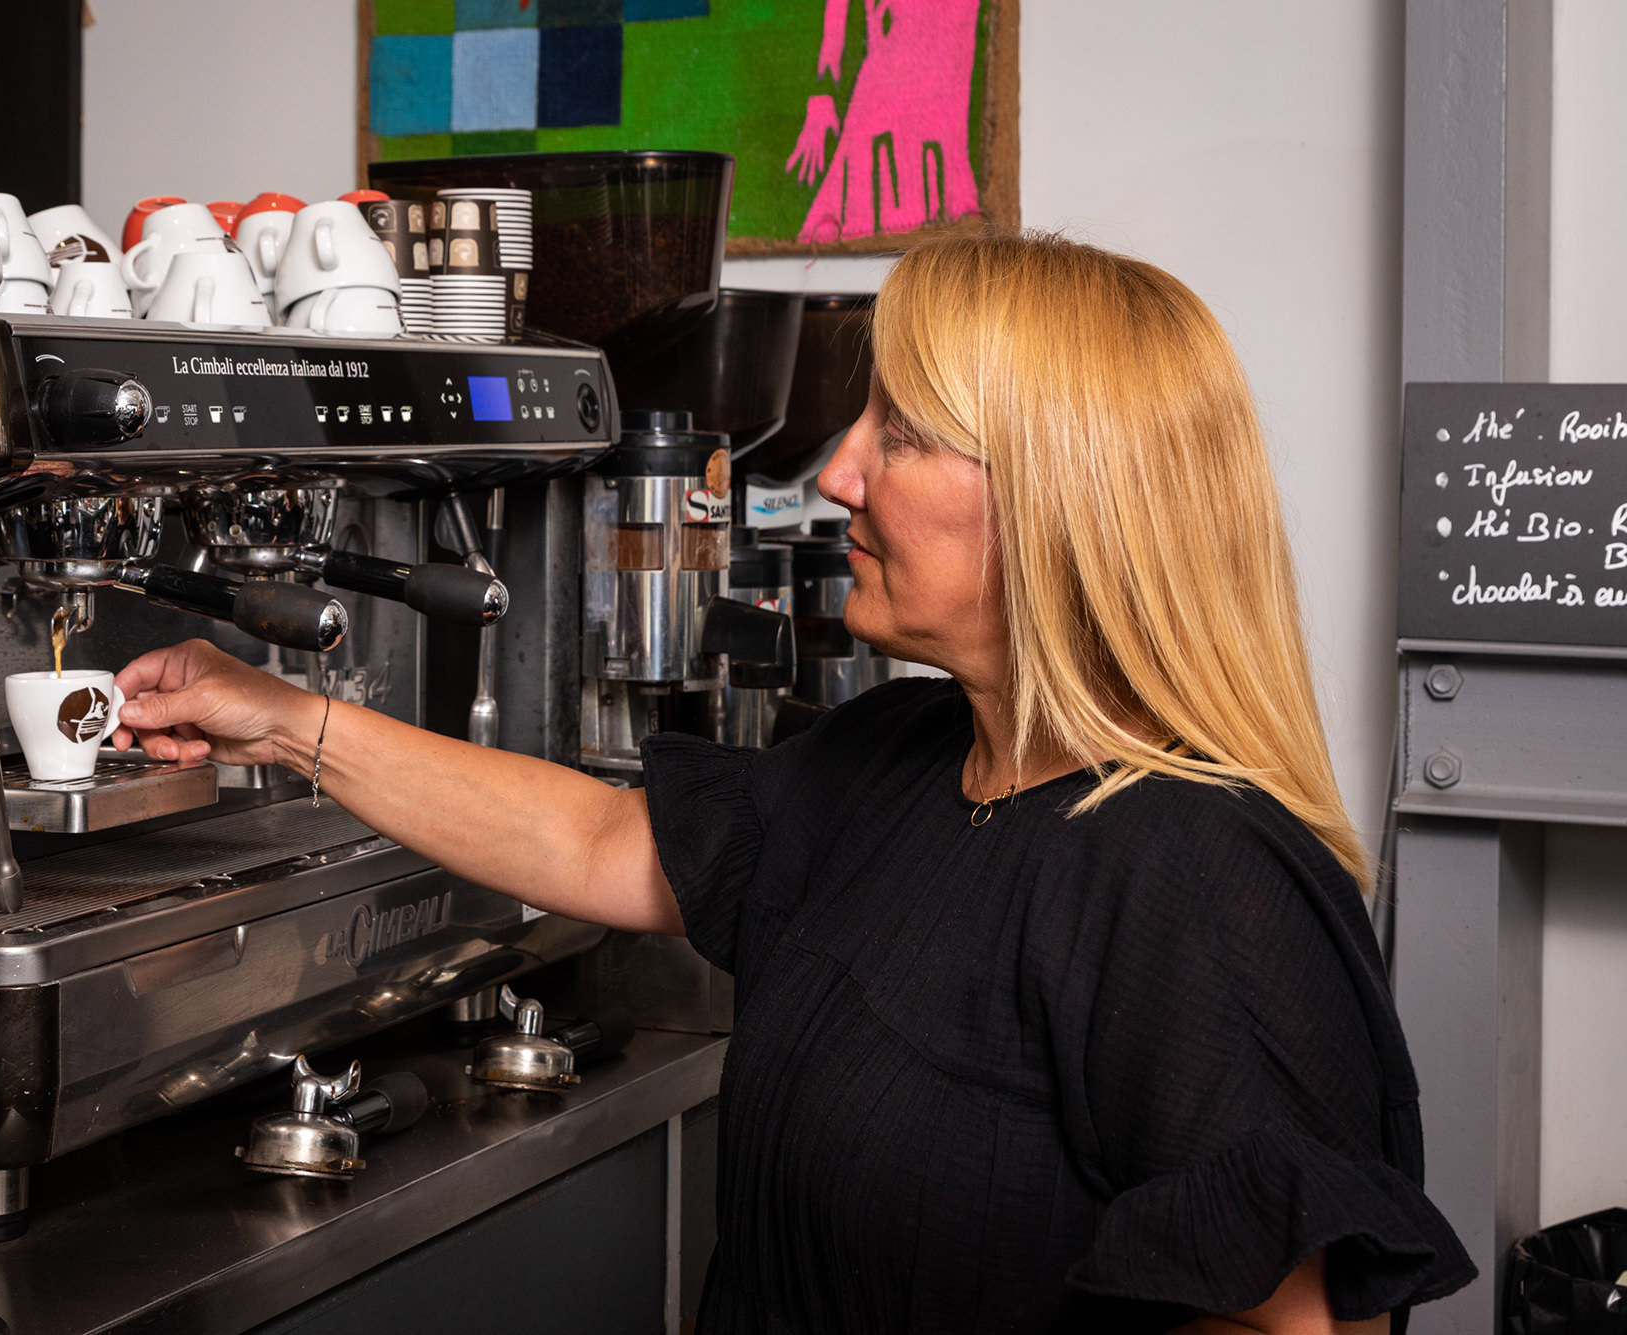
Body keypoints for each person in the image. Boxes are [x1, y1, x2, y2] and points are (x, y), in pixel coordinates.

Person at [111, 231, 1475, 1333]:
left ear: (1067, 498)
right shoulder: (911, 757)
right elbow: (604, 843)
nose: (838, 473)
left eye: (909, 434)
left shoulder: (1188, 873)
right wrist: (286, 719)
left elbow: (1281, 1326)